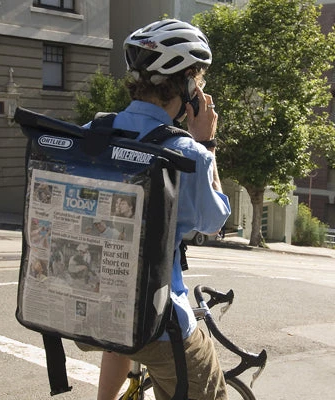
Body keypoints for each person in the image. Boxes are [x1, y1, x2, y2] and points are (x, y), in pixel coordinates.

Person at [81, 19, 231, 400]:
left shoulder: (91, 134)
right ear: (187, 86)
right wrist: (206, 143)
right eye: (197, 81)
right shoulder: (186, 153)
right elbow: (215, 221)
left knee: (125, 335)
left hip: (94, 311)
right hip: (160, 325)